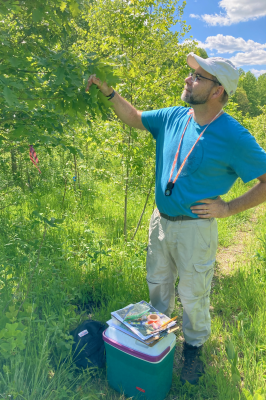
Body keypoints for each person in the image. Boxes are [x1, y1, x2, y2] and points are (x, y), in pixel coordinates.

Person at [86, 52, 266, 385]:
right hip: (160, 222)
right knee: (157, 284)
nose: (187, 79)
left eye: (197, 76)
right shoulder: (174, 117)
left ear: (216, 91)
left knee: (195, 294)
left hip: (196, 229)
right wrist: (109, 92)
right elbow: (136, 117)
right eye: (192, 74)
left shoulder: (234, 136)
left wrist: (228, 209)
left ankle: (194, 349)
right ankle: (158, 339)